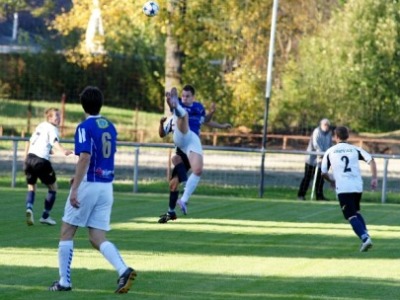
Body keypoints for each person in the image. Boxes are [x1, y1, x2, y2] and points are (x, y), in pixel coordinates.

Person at [48, 86, 136, 293]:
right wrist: (78, 176)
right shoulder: (110, 127)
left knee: (66, 232)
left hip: (89, 184)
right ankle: (123, 270)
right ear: (101, 103)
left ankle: (64, 282)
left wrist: (76, 187)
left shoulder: (84, 127)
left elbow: (85, 157)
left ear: (82, 105)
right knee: (97, 237)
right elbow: (99, 156)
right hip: (106, 186)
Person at [158, 85, 231, 223]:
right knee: (182, 116)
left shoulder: (198, 109)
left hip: (191, 147)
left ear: (193, 97)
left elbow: (206, 121)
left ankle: (175, 208)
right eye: (182, 96)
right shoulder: (174, 118)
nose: (184, 98)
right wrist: (161, 123)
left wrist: (219, 122)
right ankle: (172, 210)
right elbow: (162, 133)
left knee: (182, 178)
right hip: (181, 144)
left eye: (187, 96)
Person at [321, 126, 377, 252]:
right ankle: (365, 233)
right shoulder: (355, 149)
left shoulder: (330, 151)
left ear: (335, 137)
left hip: (343, 187)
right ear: (348, 136)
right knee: (356, 211)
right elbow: (371, 160)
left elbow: (323, 172)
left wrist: (331, 181)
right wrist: (374, 178)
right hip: (357, 186)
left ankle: (364, 238)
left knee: (351, 216)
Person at [24, 107, 73, 226]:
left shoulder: (41, 126)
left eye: (60, 116)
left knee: (31, 186)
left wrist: (25, 159)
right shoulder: (53, 129)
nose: (59, 118)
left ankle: (29, 208)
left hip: (29, 159)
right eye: (56, 116)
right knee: (53, 187)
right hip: (40, 161)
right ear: (49, 117)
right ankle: (45, 216)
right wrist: (63, 150)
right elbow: (54, 142)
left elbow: (30, 142)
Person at [297, 118, 332, 201]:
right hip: (312, 159)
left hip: (322, 160)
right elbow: (316, 144)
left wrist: (328, 154)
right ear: (321, 125)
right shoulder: (317, 131)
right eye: (325, 125)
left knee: (320, 178)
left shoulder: (329, 134)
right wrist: (320, 154)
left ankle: (319, 196)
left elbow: (330, 144)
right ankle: (301, 195)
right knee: (307, 177)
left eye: (327, 125)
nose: (326, 127)